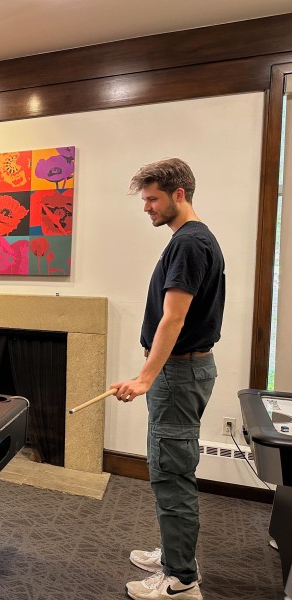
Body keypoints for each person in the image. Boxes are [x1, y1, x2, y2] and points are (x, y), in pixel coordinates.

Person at [111, 158, 225, 600]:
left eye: (153, 198)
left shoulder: (190, 244)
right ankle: (175, 553)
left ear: (179, 194)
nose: (147, 207)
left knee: (171, 473)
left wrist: (143, 378)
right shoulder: (192, 239)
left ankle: (180, 580)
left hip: (178, 374)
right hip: (182, 372)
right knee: (171, 467)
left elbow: (173, 319)